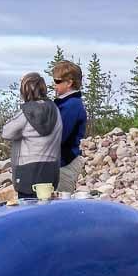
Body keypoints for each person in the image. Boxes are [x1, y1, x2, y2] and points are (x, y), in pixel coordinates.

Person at [2, 73, 62, 198]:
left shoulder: (26, 112)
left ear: (24, 90)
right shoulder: (55, 110)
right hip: (51, 168)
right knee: (46, 208)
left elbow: (6, 132)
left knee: (28, 210)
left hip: (27, 171)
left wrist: (21, 133)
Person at [52, 61, 87, 193]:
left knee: (59, 206)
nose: (54, 85)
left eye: (57, 81)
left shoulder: (72, 105)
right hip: (60, 162)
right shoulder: (65, 103)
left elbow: (59, 136)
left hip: (65, 163)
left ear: (69, 82)